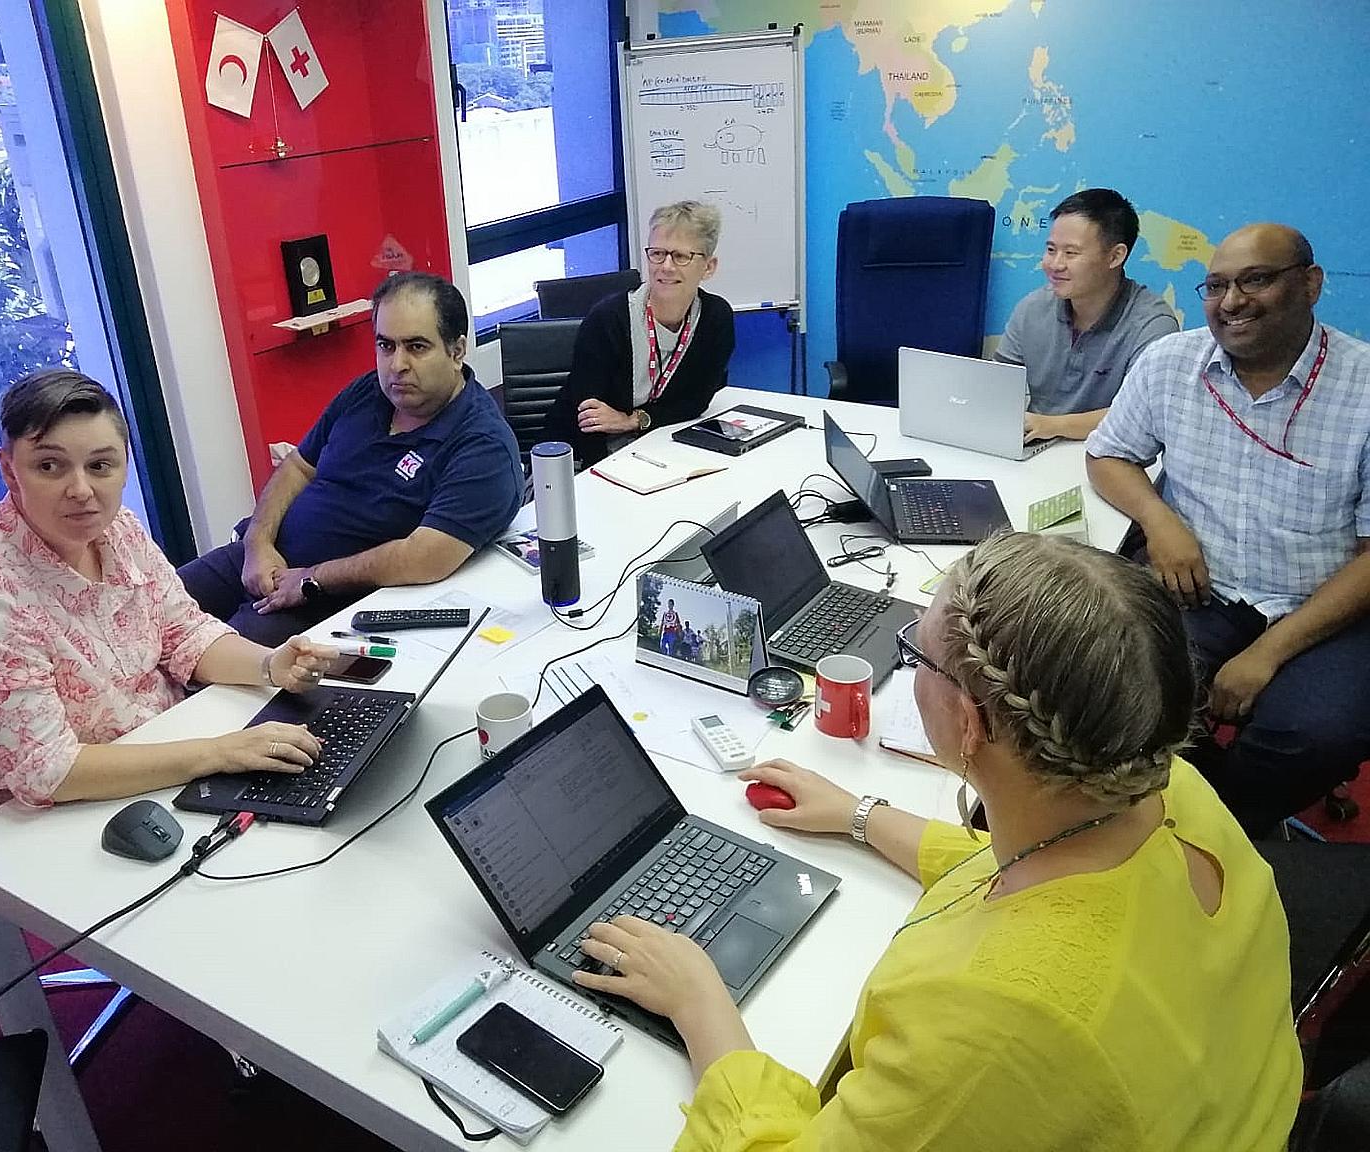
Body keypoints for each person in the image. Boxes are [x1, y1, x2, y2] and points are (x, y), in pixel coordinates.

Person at [572, 533, 1301, 1151]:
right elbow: (1029, 867)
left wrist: (701, 1003)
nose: (913, 669)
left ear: (969, 723)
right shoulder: (1165, 786)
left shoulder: (998, 1021)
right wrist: (861, 815)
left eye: (915, 658)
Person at [0, 370, 336, 820]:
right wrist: (220, 753)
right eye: (49, 466)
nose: (81, 491)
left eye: (100, 466)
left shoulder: (117, 530)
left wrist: (269, 666)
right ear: (9, 470)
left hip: (156, 751)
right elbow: (48, 770)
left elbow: (184, 633)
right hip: (37, 816)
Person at [1087, 222, 1370, 833]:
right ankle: (1162, 815)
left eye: (1256, 280)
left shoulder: (1364, 388)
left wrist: (1269, 651)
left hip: (1326, 610)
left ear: (1311, 284)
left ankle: (1216, 832)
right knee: (1110, 685)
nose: (1232, 302)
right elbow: (1107, 455)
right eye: (1215, 286)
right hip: (1200, 590)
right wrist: (1160, 521)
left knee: (1315, 733)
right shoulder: (1171, 362)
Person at [179, 272, 523, 645]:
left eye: (417, 347)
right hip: (260, 559)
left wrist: (312, 579)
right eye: (386, 346)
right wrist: (257, 543)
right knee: (149, 608)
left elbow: (425, 557)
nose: (397, 365)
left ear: (456, 351)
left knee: (207, 669)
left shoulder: (482, 444)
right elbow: (298, 466)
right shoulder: (368, 393)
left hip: (328, 603)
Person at [542, 200, 735, 466]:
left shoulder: (716, 318)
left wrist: (632, 420)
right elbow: (590, 418)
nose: (666, 266)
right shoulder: (608, 320)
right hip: (584, 456)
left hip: (660, 446)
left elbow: (696, 400)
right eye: (657, 254)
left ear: (708, 267)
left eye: (681, 256)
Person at [996, 188, 1178, 442]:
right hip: (1034, 449)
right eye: (1050, 250)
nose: (1055, 264)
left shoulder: (1152, 325)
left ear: (1115, 256)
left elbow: (1146, 413)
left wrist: (1053, 425)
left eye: (1071, 253)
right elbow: (995, 387)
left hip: (1111, 457)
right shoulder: (1032, 308)